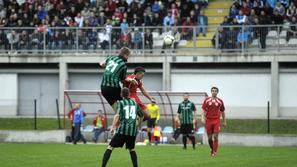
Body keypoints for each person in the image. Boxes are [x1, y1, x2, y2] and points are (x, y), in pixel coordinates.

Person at [101, 88, 144, 167]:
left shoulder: (120, 103)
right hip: (132, 131)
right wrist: (138, 125)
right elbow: (141, 115)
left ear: (121, 94)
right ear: (129, 94)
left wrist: (113, 127)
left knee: (110, 147)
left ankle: (103, 166)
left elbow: (117, 115)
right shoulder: (135, 103)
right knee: (132, 149)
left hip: (122, 130)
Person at [100, 47, 130, 114]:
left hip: (103, 88)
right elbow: (123, 79)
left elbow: (102, 64)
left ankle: (118, 117)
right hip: (114, 88)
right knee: (124, 104)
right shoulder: (123, 65)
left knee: (116, 108)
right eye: (128, 56)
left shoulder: (111, 58)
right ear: (125, 55)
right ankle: (126, 118)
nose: (128, 58)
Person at [201, 87, 226, 157]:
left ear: (217, 92)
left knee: (215, 136)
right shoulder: (207, 100)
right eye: (212, 91)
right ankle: (212, 149)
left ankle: (214, 152)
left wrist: (224, 121)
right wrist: (202, 118)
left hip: (216, 120)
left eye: (215, 91)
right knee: (209, 138)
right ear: (211, 92)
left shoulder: (220, 101)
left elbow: (223, 111)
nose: (214, 92)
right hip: (208, 120)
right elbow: (203, 110)